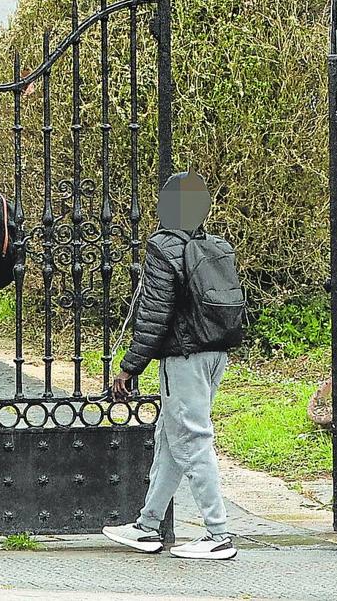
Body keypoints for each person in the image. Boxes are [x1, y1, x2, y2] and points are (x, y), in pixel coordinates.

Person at [102, 171, 245, 561]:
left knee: (192, 440)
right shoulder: (216, 246)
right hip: (215, 355)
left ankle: (218, 534)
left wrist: (130, 366)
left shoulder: (164, 248)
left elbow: (154, 314)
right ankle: (147, 526)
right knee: (171, 439)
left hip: (183, 358)